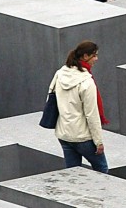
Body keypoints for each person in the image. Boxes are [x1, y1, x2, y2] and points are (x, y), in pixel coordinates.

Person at [49, 40, 108, 173]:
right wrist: (98, 142)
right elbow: (91, 114)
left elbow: (51, 99)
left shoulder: (60, 74)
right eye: (95, 55)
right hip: (83, 137)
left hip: (64, 135)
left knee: (73, 175)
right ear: (85, 57)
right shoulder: (86, 82)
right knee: (102, 171)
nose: (97, 59)